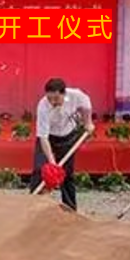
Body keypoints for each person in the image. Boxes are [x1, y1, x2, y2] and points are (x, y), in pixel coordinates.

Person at [27, 77, 94, 211]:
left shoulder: (76, 95)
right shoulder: (43, 106)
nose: (52, 102)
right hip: (49, 138)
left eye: (56, 99)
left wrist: (88, 123)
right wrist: (52, 162)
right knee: (40, 169)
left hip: (67, 136)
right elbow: (43, 137)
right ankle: (33, 205)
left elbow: (86, 106)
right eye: (49, 98)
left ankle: (70, 208)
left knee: (67, 173)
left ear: (64, 94)